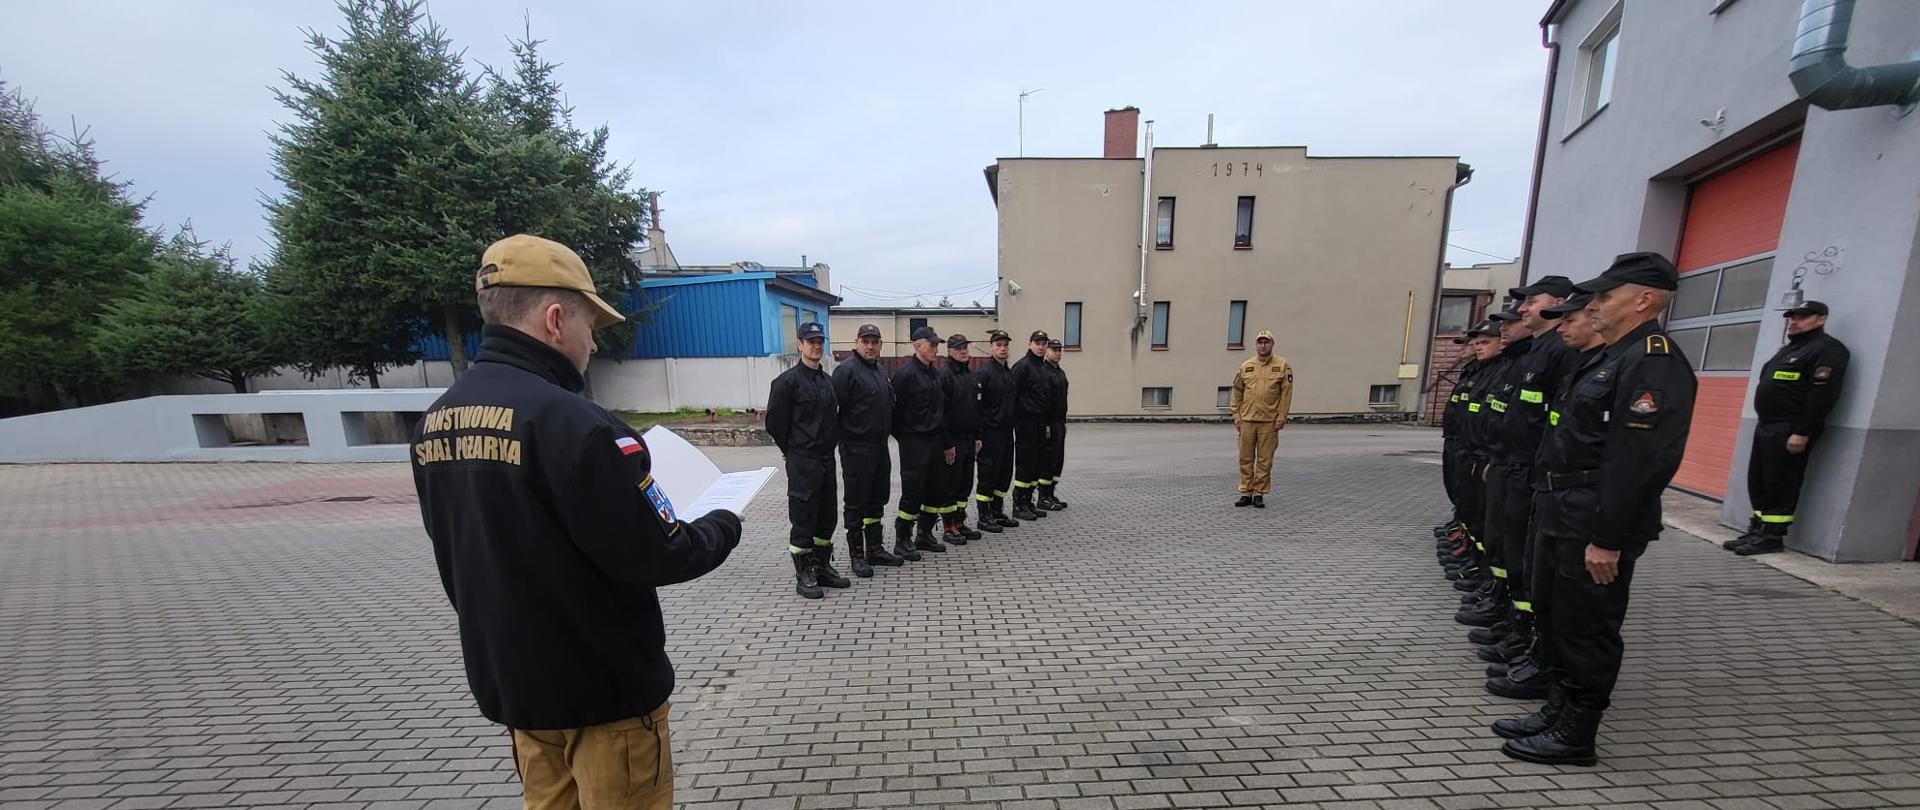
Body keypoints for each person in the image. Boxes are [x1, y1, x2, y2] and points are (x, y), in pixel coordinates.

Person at [412, 234, 742, 809]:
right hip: (602, 693)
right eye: (591, 327)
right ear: (555, 318)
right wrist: (724, 522)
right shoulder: (579, 425)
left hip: (516, 687)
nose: (592, 345)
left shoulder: (437, 420)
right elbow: (657, 553)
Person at [1498, 251, 1696, 767]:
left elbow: (1641, 462)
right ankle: (1558, 708)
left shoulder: (1653, 361)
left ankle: (1577, 732)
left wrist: (1608, 537)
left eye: (1607, 295)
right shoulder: (1608, 356)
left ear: (1643, 299)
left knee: (1587, 627)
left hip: (1594, 520)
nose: (1596, 304)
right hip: (1563, 509)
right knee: (1556, 615)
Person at [1729, 301, 1849, 556]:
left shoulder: (1827, 350)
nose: (1794, 321)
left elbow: (1822, 396)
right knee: (1760, 480)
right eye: (1792, 316)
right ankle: (1759, 529)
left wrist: (1802, 431)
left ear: (1821, 319)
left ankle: (1773, 536)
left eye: (1802, 317)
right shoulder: (1789, 350)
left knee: (1781, 481)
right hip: (1768, 425)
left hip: (1790, 428)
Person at [766, 321, 849, 599]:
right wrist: (792, 451)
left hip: (826, 459)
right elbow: (775, 424)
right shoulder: (786, 383)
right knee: (804, 517)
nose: (816, 346)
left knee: (827, 516)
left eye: (819, 341)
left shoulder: (827, 381)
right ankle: (804, 574)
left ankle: (822, 566)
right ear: (799, 344)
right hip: (803, 460)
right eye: (810, 341)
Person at [834, 324, 906, 575]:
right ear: (856, 343)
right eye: (865, 341)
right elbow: (835, 412)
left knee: (877, 500)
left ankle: (874, 550)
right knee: (855, 504)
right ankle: (857, 556)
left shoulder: (879, 370)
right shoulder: (846, 372)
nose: (870, 346)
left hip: (879, 448)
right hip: (856, 449)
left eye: (875, 341)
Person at [892, 326, 950, 556]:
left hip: (935, 441)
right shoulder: (905, 375)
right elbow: (894, 414)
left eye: (937, 345)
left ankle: (924, 534)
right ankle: (902, 539)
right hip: (914, 443)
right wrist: (907, 438)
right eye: (932, 344)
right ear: (917, 345)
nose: (936, 349)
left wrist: (947, 443)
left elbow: (942, 411)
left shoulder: (936, 374)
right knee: (913, 492)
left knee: (935, 490)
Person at [1229, 330, 1294, 508]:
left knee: (1265, 460)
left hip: (1269, 422)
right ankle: (1246, 492)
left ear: (1272, 344)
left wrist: (1281, 417)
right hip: (1247, 420)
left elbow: (1286, 395)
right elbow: (1237, 391)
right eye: (1260, 342)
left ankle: (1259, 493)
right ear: (1256, 345)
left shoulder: (1282, 366)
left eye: (1266, 342)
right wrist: (1236, 414)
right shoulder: (1246, 365)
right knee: (1245, 458)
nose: (1263, 345)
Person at [939, 333, 989, 541]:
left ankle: (960, 522)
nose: (963, 351)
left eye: (965, 348)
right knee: (950, 485)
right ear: (949, 351)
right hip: (954, 441)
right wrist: (947, 443)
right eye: (959, 348)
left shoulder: (971, 376)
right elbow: (941, 412)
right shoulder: (944, 376)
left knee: (964, 484)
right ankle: (949, 526)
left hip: (969, 439)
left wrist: (978, 435)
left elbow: (977, 409)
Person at [973, 330, 1020, 530]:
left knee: (1004, 473)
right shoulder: (985, 372)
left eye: (1005, 345)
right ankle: (984, 516)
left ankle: (997, 511)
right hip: (990, 434)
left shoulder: (1007, 373)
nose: (1002, 349)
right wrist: (979, 435)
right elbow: (978, 407)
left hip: (1007, 432)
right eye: (999, 345)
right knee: (988, 474)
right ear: (991, 347)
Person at [1010, 330, 1054, 521]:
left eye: (1044, 343)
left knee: (1036, 463)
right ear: (1030, 344)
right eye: (1037, 343)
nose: (1041, 346)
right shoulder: (1022, 367)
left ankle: (1028, 502)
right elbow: (1012, 395)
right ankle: (1019, 504)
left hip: (1040, 423)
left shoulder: (1043, 368)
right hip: (1025, 423)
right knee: (1025, 464)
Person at [1038, 339, 1071, 510]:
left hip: (1059, 421)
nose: (1058, 353)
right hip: (1049, 423)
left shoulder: (1059, 372)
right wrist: (1045, 424)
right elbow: (1044, 400)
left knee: (1058, 460)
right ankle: (1043, 497)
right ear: (1047, 352)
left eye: (1060, 350)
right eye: (1054, 350)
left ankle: (1051, 493)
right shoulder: (1044, 371)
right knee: (1048, 459)